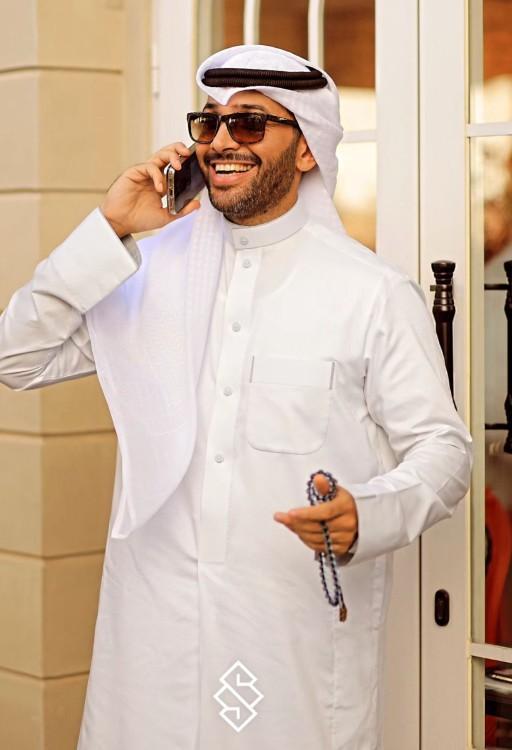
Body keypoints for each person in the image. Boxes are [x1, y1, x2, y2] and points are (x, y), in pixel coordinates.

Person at [0, 44, 472, 749]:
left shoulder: (370, 292)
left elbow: (444, 450)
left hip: (285, 648)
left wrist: (369, 514)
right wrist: (110, 228)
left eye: (249, 123)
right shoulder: (144, 272)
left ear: (306, 149)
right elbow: (16, 356)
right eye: (210, 122)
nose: (221, 140)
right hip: (152, 645)